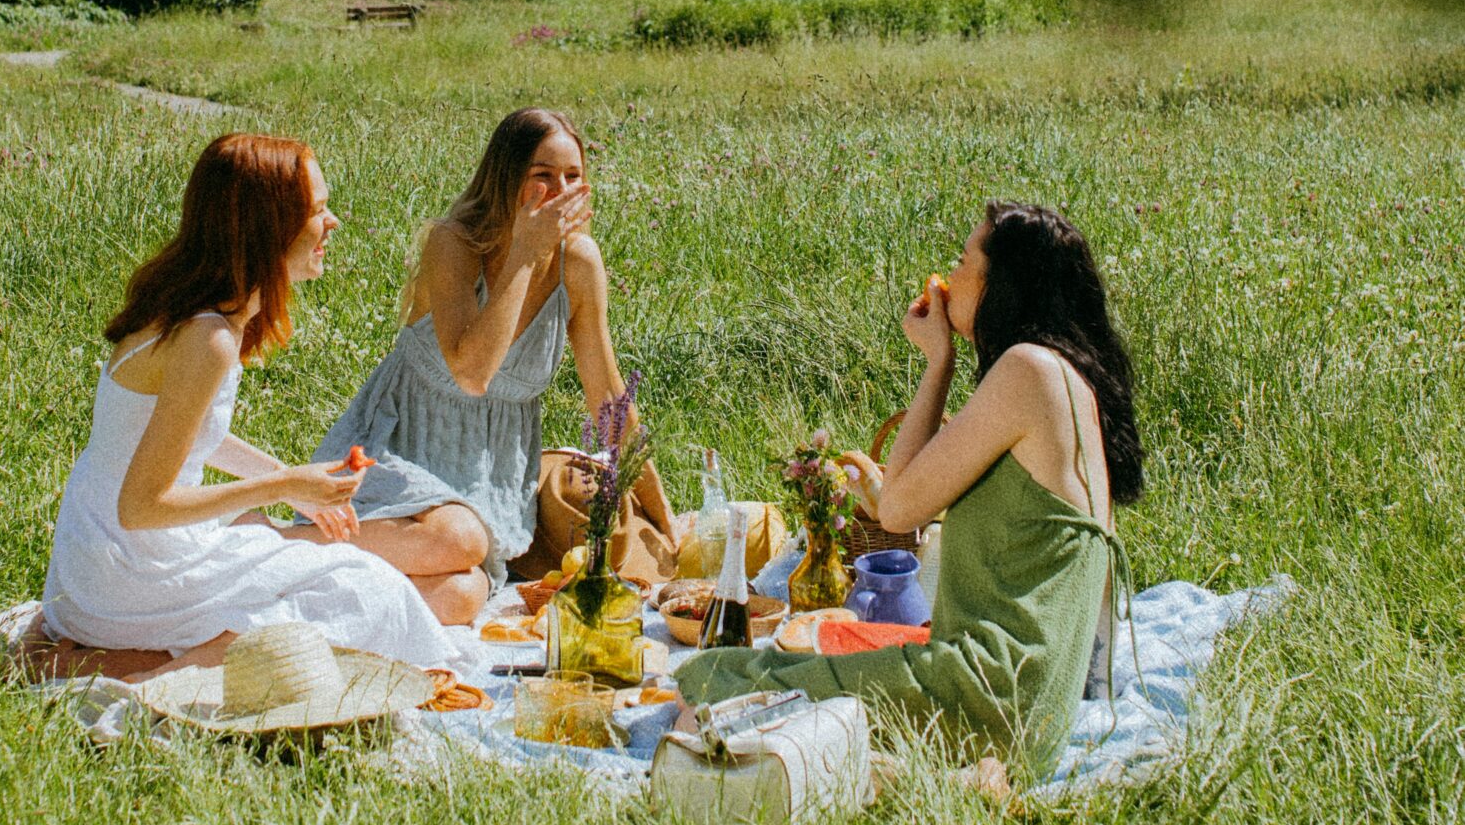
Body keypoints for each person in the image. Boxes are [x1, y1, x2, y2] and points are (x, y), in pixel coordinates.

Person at [675, 199, 1143, 779]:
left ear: (1004, 284)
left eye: (966, 260)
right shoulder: (1074, 387)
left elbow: (897, 507)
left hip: (981, 698)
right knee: (802, 682)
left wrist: (937, 362)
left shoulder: (1027, 370)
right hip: (1037, 718)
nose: (951, 276)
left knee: (714, 681)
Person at [42, 133, 457, 669]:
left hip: (101, 555)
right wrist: (284, 485)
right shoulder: (208, 338)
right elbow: (142, 506)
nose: (333, 224)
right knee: (366, 590)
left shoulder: (201, 314)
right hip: (122, 570)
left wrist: (297, 487)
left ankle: (136, 656)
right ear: (269, 227)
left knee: (311, 561)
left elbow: (189, 434)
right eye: (318, 210)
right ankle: (128, 671)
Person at [314, 106, 674, 621]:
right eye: (543, 177)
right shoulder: (453, 243)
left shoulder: (579, 262)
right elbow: (472, 373)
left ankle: (311, 602)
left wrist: (664, 518)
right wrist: (527, 253)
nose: (561, 191)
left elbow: (610, 399)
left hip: (491, 473)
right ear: (506, 180)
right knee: (455, 546)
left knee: (463, 596)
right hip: (404, 447)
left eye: (573, 177)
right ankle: (288, 543)